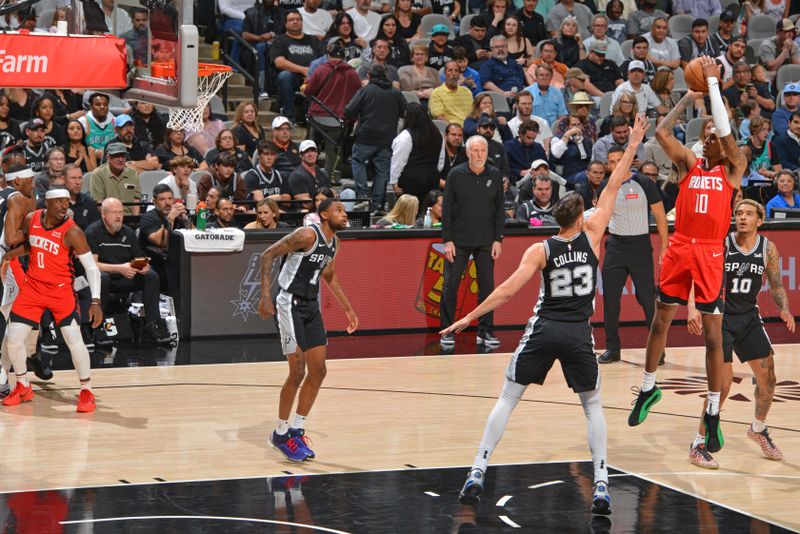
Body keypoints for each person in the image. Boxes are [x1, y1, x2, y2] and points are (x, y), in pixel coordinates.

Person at [447, 114, 650, 514]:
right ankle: (603, 483)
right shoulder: (593, 237)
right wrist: (634, 142)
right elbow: (613, 183)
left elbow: (506, 291)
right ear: (582, 218)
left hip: (544, 328)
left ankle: (477, 468)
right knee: (592, 406)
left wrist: (468, 317)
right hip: (577, 331)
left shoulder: (540, 249)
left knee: (509, 397)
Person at [628, 57, 747, 458]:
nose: (709, 137)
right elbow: (662, 132)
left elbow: (729, 136)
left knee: (713, 338)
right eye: (706, 133)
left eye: (713, 133)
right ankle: (648, 386)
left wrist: (714, 87)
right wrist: (689, 97)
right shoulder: (689, 164)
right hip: (681, 246)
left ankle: (712, 413)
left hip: (712, 253)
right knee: (661, 318)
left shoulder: (734, 168)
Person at [685, 199, 794, 468]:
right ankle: (698, 444)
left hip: (748, 318)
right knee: (722, 386)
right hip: (719, 318)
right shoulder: (722, 244)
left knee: (768, 378)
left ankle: (758, 428)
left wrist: (785, 309)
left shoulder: (768, 248)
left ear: (760, 219)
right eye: (738, 214)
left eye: (748, 214)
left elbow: (777, 284)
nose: (742, 218)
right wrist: (692, 308)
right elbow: (696, 277)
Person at [258, 198, 358, 462]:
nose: (344, 214)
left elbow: (330, 276)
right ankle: (280, 434)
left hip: (311, 305)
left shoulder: (334, 243)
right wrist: (265, 295)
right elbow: (267, 254)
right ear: (323, 215)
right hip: (288, 302)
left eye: (345, 211)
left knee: (319, 370)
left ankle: (297, 429)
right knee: (297, 370)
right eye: (339, 210)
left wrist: (348, 308)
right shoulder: (305, 234)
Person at [0, 189, 103, 410]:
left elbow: (92, 269)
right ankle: (22, 385)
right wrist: (10, 255)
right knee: (14, 340)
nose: (65, 206)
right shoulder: (32, 218)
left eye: (66, 202)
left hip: (61, 290)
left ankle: (87, 391)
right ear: (47, 202)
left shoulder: (73, 232)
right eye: (59, 202)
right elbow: (31, 245)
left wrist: (95, 301)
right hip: (33, 287)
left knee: (74, 341)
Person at [596, 145, 668, 364]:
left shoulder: (645, 183)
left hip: (640, 247)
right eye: (612, 161)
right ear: (608, 164)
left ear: (629, 159)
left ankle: (658, 351)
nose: (617, 165)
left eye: (620, 159)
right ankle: (612, 349)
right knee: (611, 301)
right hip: (615, 246)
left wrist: (665, 246)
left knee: (647, 299)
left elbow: (660, 215)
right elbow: (599, 220)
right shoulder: (605, 187)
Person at [439, 135, 504, 349]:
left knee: (487, 287)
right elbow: (446, 211)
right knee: (450, 286)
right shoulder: (456, 174)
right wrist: (447, 240)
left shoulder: (494, 174)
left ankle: (486, 331)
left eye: (482, 151)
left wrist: (498, 239)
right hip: (458, 241)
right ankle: (448, 331)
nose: (479, 154)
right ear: (467, 153)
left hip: (486, 241)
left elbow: (499, 210)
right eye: (474, 151)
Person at [85, 198, 172, 345]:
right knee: (102, 278)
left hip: (125, 275)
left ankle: (152, 324)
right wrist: (120, 268)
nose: (118, 216)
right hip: (104, 278)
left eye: (120, 212)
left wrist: (143, 266)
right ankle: (98, 327)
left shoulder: (128, 233)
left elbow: (138, 258)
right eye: (114, 212)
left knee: (151, 276)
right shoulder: (93, 232)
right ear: (103, 214)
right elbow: (92, 265)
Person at [345, 64, 407, 213]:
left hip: (366, 136)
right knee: (382, 172)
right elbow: (405, 111)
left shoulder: (366, 90)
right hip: (387, 139)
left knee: (358, 161)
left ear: (369, 77)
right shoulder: (395, 92)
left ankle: (363, 197)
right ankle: (378, 204)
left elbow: (349, 110)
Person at [303, 36, 362, 176]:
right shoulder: (353, 73)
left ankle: (311, 174)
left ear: (328, 55)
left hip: (317, 117)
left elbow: (308, 91)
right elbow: (358, 95)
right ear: (343, 56)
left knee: (313, 146)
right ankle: (328, 177)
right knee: (333, 150)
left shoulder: (321, 69)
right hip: (339, 119)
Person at [270, 10, 325, 123]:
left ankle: (317, 119)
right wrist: (304, 70)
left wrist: (311, 74)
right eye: (291, 20)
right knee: (284, 76)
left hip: (313, 77)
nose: (295, 22)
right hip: (293, 78)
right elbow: (279, 62)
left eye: (298, 19)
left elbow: (324, 60)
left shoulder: (313, 40)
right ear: (285, 23)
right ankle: (289, 117)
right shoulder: (280, 40)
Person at [390, 103, 442, 210]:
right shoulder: (438, 133)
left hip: (411, 180)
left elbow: (399, 161)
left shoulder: (406, 135)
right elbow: (441, 160)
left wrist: (394, 181)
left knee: (410, 212)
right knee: (428, 211)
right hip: (432, 177)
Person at [90, 143, 142, 216]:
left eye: (123, 156)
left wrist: (135, 220)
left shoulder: (133, 174)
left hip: (129, 219)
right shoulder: (98, 175)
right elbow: (99, 204)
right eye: (116, 156)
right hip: (107, 218)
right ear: (108, 157)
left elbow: (136, 200)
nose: (120, 160)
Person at [138, 184, 190, 252]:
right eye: (162, 199)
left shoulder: (178, 216)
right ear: (154, 202)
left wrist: (185, 220)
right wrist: (171, 218)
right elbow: (161, 242)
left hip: (178, 255)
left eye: (170, 198)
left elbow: (194, 236)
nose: (167, 203)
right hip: (155, 259)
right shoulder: (147, 218)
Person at [429, 61, 473, 125]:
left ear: (459, 74)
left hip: (467, 128)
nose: (453, 73)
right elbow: (440, 117)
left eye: (456, 71)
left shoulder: (467, 92)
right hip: (449, 130)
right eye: (450, 70)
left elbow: (471, 115)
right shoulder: (436, 93)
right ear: (444, 73)